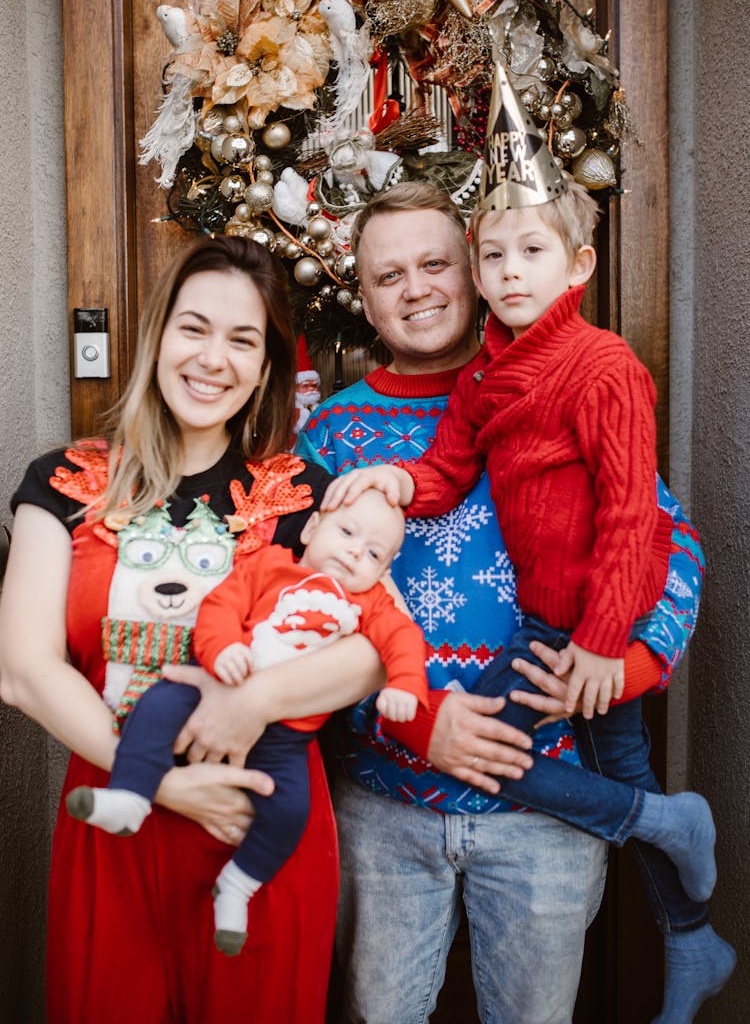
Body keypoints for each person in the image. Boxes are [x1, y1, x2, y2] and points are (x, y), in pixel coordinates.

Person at [297, 177, 732, 1022]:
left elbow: (669, 544)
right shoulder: (328, 436)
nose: (417, 288)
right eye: (389, 276)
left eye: (435, 263)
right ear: (363, 294)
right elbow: (294, 613)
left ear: (475, 270)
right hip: (386, 805)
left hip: (548, 804)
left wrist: (622, 665)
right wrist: (415, 721)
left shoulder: (571, 380)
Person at [0, 235, 386, 1024]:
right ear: (157, 337)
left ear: (268, 367)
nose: (213, 358)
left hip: (258, 820)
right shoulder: (64, 480)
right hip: (114, 816)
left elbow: (376, 645)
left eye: (243, 340)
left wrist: (257, 699)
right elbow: (23, 670)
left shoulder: (303, 496)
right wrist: (163, 784)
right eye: (194, 327)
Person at [66, 488, 428, 957]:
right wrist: (223, 649)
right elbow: (221, 606)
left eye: (374, 553)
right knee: (155, 707)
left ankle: (237, 885)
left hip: (287, 736)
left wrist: (404, 686)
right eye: (346, 532)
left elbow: (403, 638)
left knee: (290, 811)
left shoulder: (371, 602)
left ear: (384, 570)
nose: (356, 550)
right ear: (313, 528)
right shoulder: (270, 565)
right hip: (214, 687)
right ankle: (131, 797)